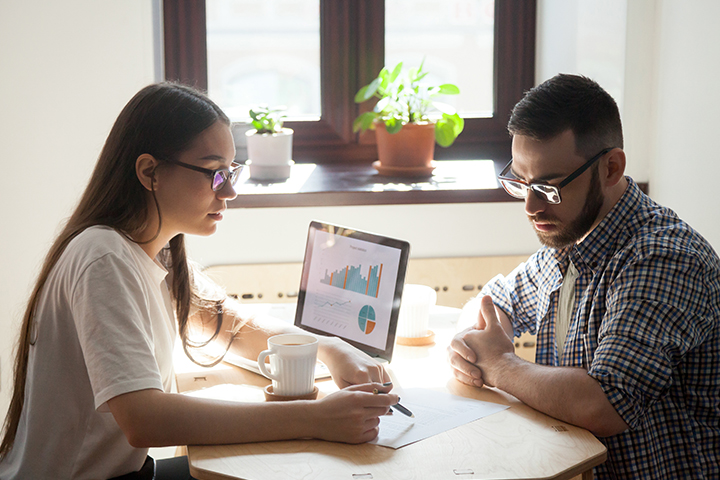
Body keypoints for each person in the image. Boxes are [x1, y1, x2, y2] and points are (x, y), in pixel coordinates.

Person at [0, 82, 397, 480]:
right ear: (149, 172)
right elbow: (144, 419)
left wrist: (330, 348)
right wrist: (314, 419)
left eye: (231, 172)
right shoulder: (104, 257)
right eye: (215, 174)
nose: (231, 191)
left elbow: (230, 324)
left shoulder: (157, 250)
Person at [448, 74, 719, 479]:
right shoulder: (572, 237)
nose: (530, 205)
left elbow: (607, 403)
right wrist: (475, 342)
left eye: (549, 187)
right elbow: (498, 297)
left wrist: (500, 363)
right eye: (520, 182)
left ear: (611, 168)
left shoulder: (664, 259)